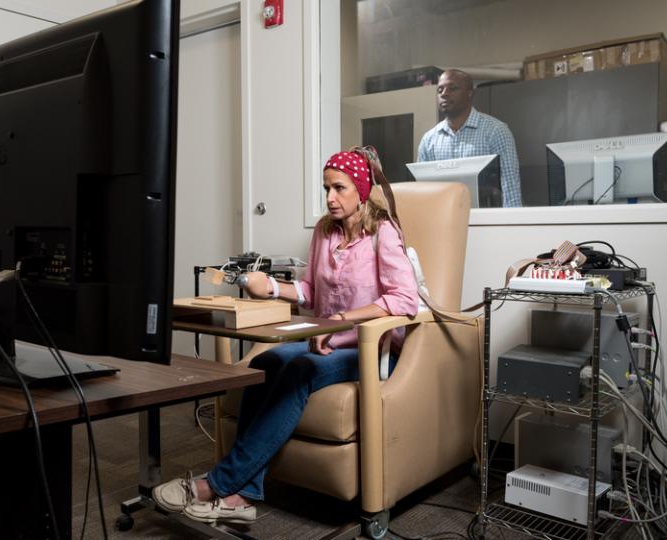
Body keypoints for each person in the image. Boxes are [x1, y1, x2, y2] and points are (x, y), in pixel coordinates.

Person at [152, 147, 419, 524]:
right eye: (326, 188)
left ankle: (218, 484)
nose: (330, 197)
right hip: (323, 339)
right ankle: (243, 496)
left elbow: (404, 299)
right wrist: (272, 289)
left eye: (339, 188)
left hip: (367, 348)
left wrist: (341, 319)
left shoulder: (383, 233)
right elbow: (310, 291)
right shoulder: (325, 232)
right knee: (265, 362)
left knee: (300, 371)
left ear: (360, 189)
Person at [417, 69, 522, 207]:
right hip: (443, 223)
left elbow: (510, 189)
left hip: (486, 223)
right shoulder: (429, 140)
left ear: (470, 94)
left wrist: (511, 226)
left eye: (452, 88)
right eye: (440, 90)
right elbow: (421, 193)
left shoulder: (496, 131)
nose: (444, 94)